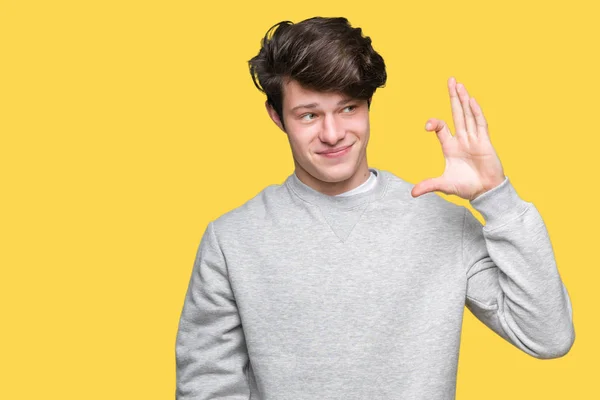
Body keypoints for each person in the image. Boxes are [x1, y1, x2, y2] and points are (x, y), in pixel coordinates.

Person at [175, 16, 575, 399]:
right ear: (277, 117)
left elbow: (547, 336)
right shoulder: (233, 239)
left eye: (348, 108)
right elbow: (206, 387)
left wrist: (496, 197)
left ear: (368, 106)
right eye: (309, 115)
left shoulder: (442, 222)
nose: (333, 134)